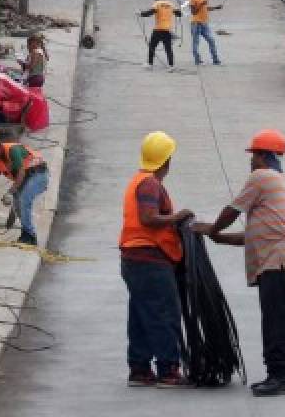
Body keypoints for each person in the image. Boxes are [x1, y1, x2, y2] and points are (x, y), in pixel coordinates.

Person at [194, 129, 285, 397]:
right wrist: (221, 239)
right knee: (283, 318)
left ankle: (279, 375)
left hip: (276, 264)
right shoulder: (278, 181)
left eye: (253, 155)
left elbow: (232, 211)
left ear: (263, 156)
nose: (250, 160)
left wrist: (212, 230)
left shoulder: (260, 177)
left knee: (275, 320)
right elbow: (254, 235)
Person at [119, 131, 194, 388]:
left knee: (141, 313)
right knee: (164, 312)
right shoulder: (150, 184)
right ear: (166, 160)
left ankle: (139, 369)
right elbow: (148, 218)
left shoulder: (138, 180)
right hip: (149, 259)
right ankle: (167, 370)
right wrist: (177, 217)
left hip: (134, 258)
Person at [0, 132, 49, 246]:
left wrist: (10, 192)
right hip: (26, 179)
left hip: (39, 174)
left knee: (23, 199)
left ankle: (30, 236)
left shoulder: (13, 150)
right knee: (17, 203)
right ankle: (25, 233)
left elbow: (21, 172)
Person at [183, 0, 222, 65]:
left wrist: (216, 7)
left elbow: (205, 8)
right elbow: (193, 12)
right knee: (196, 43)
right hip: (196, 23)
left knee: (211, 40)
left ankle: (215, 59)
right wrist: (201, 4)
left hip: (204, 23)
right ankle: (197, 60)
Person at [139, 0, 181, 71]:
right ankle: (171, 66)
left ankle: (150, 64)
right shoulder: (171, 4)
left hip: (158, 30)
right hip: (167, 30)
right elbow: (178, 14)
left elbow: (150, 12)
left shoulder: (157, 3)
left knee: (152, 47)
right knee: (168, 48)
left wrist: (141, 14)